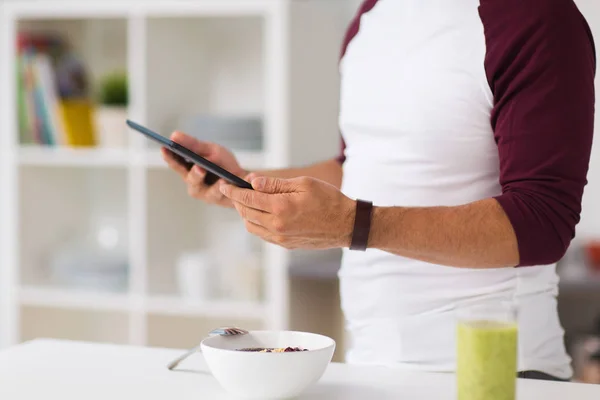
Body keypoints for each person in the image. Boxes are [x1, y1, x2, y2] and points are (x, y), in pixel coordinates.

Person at [163, 0, 596, 381]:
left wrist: (355, 224)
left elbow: (542, 221)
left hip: (495, 375)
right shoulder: (370, 17)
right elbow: (361, 168)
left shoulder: (537, 16)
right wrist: (243, 183)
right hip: (372, 366)